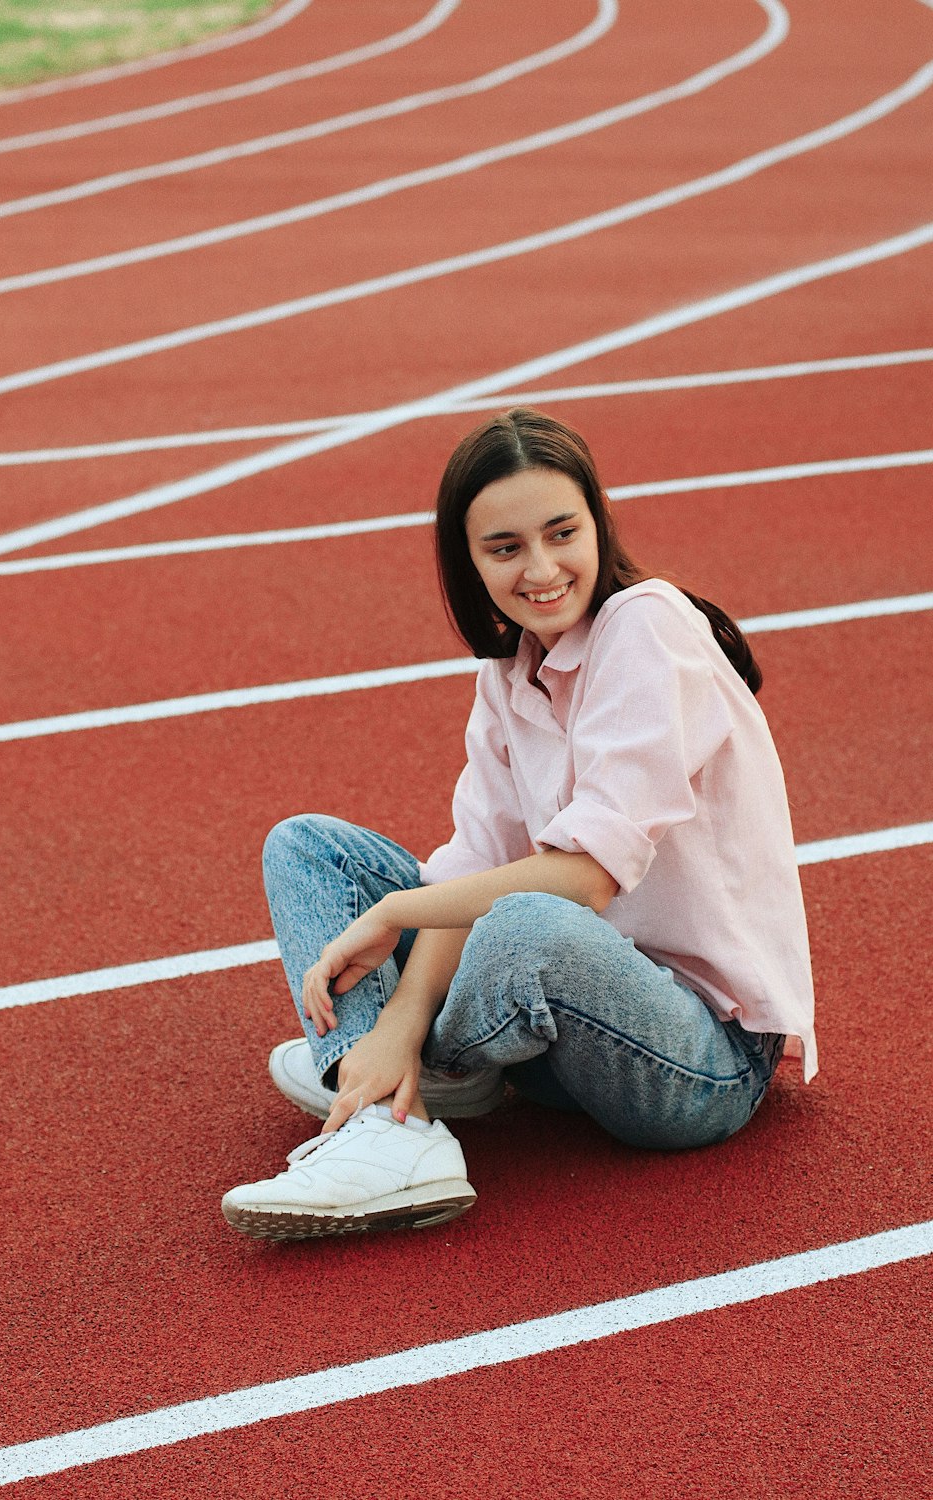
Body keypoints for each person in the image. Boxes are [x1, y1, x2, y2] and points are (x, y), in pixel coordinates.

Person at [221, 408, 816, 1241]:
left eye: (561, 532)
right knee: (309, 847)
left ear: (598, 525)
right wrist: (398, 1017)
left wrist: (393, 917)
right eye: (504, 549)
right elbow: (473, 866)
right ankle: (388, 1112)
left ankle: (402, 1084)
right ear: (468, 562)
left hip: (698, 1063)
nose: (540, 569)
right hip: (558, 1037)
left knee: (528, 919)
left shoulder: (650, 627)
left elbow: (588, 875)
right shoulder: (511, 671)